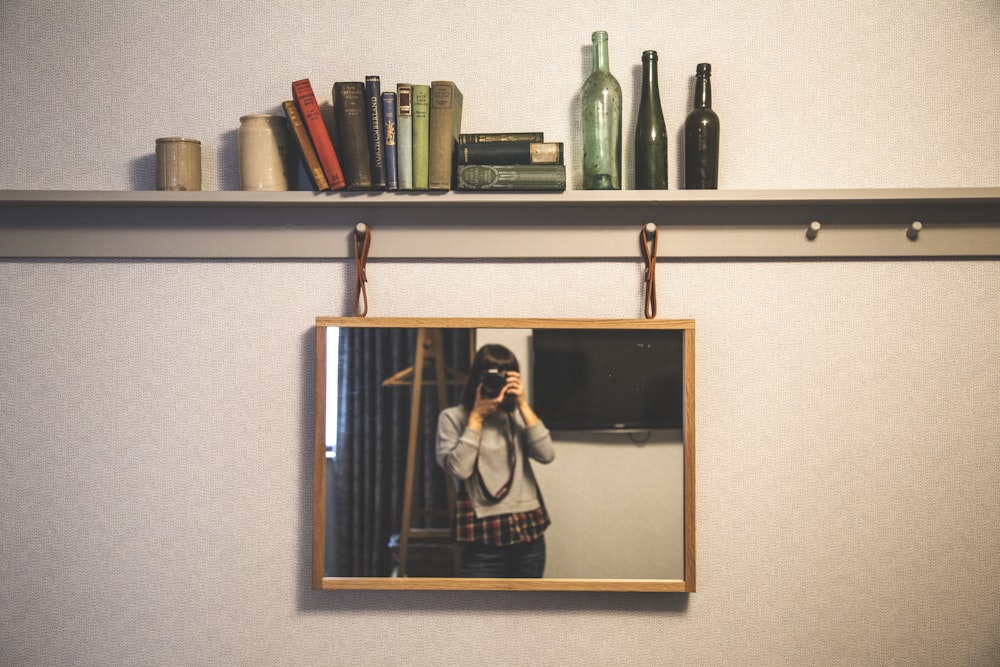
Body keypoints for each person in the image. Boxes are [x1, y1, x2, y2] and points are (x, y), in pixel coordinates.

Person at [436, 343, 555, 578]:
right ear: (476, 379)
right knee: (479, 613)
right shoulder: (452, 418)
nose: (496, 382)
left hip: (527, 531)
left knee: (525, 612)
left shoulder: (517, 417)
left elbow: (546, 454)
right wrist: (477, 418)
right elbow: (459, 470)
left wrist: (522, 404)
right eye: (490, 376)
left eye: (503, 376)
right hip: (481, 537)